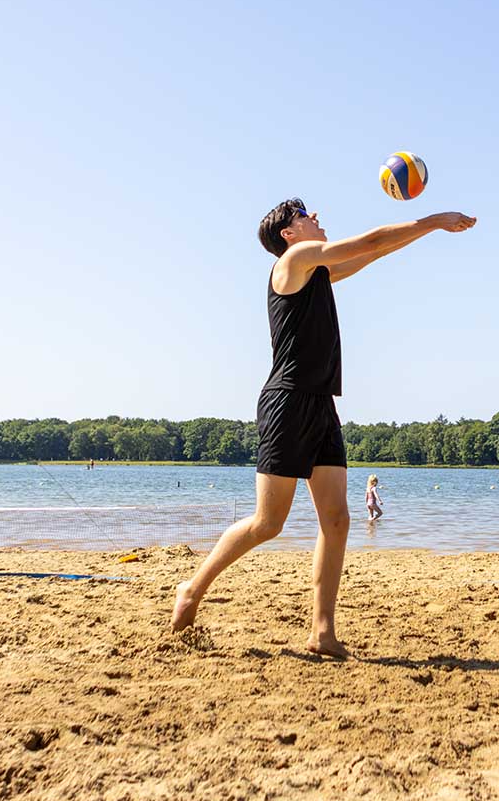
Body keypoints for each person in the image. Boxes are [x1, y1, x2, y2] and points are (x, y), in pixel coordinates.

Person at [171, 198, 476, 656]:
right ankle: (191, 589)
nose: (316, 218)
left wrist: (424, 235)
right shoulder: (293, 261)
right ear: (288, 235)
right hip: (288, 403)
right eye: (304, 217)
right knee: (267, 523)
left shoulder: (319, 273)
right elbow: (370, 240)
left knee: (336, 520)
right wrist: (432, 221)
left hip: (320, 405)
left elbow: (373, 252)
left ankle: (322, 632)